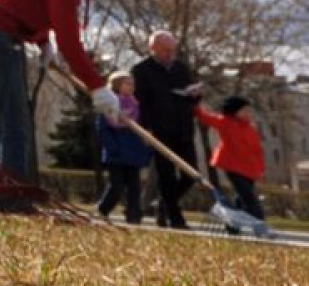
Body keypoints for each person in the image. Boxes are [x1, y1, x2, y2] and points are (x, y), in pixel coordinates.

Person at [0, 0, 135, 201]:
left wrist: (43, 41)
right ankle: (10, 196)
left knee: (2, 119)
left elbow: (28, 6)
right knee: (14, 122)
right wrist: (98, 87)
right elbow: (70, 43)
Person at [131, 30, 203, 229]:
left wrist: (195, 94)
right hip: (160, 129)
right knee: (166, 177)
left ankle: (163, 205)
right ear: (153, 48)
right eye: (165, 50)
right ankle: (175, 219)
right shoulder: (142, 70)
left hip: (183, 128)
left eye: (172, 50)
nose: (170, 54)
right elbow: (141, 102)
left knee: (191, 174)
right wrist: (145, 130)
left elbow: (190, 95)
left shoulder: (180, 68)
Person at [195, 95, 266, 223]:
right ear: (234, 111)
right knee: (249, 197)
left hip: (249, 170)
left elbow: (257, 151)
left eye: (248, 110)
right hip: (233, 166)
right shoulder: (225, 122)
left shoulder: (250, 128)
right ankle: (260, 222)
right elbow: (206, 118)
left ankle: (232, 223)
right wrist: (195, 104)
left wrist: (260, 169)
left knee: (241, 197)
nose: (247, 113)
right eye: (243, 110)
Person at [94, 71, 150, 224]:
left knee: (134, 187)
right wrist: (112, 147)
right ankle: (103, 209)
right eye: (127, 83)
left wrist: (144, 149)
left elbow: (140, 129)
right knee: (117, 186)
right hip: (116, 152)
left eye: (133, 84)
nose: (131, 87)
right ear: (117, 85)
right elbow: (102, 128)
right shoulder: (109, 104)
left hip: (133, 152)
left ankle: (133, 215)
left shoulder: (135, 105)